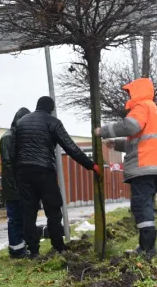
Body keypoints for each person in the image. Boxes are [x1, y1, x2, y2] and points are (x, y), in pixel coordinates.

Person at [13, 96, 100, 257]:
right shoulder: (52, 122)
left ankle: (33, 251)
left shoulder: (21, 122)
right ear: (51, 109)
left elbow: (13, 150)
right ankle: (58, 247)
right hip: (44, 172)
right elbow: (71, 148)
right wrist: (91, 165)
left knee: (29, 213)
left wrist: (16, 174)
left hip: (23, 172)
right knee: (53, 210)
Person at [95, 77, 157, 258]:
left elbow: (130, 126)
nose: (128, 95)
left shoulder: (142, 106)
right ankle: (145, 247)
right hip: (152, 165)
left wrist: (102, 131)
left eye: (130, 92)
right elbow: (138, 140)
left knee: (141, 206)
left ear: (138, 91)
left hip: (144, 166)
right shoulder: (152, 109)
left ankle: (148, 249)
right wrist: (116, 143)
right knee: (142, 205)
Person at [0, 107, 31, 257]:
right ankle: (16, 250)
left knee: (24, 218)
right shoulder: (8, 138)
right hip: (14, 187)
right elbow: (8, 164)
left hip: (21, 185)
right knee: (15, 219)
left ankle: (22, 246)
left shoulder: (18, 136)